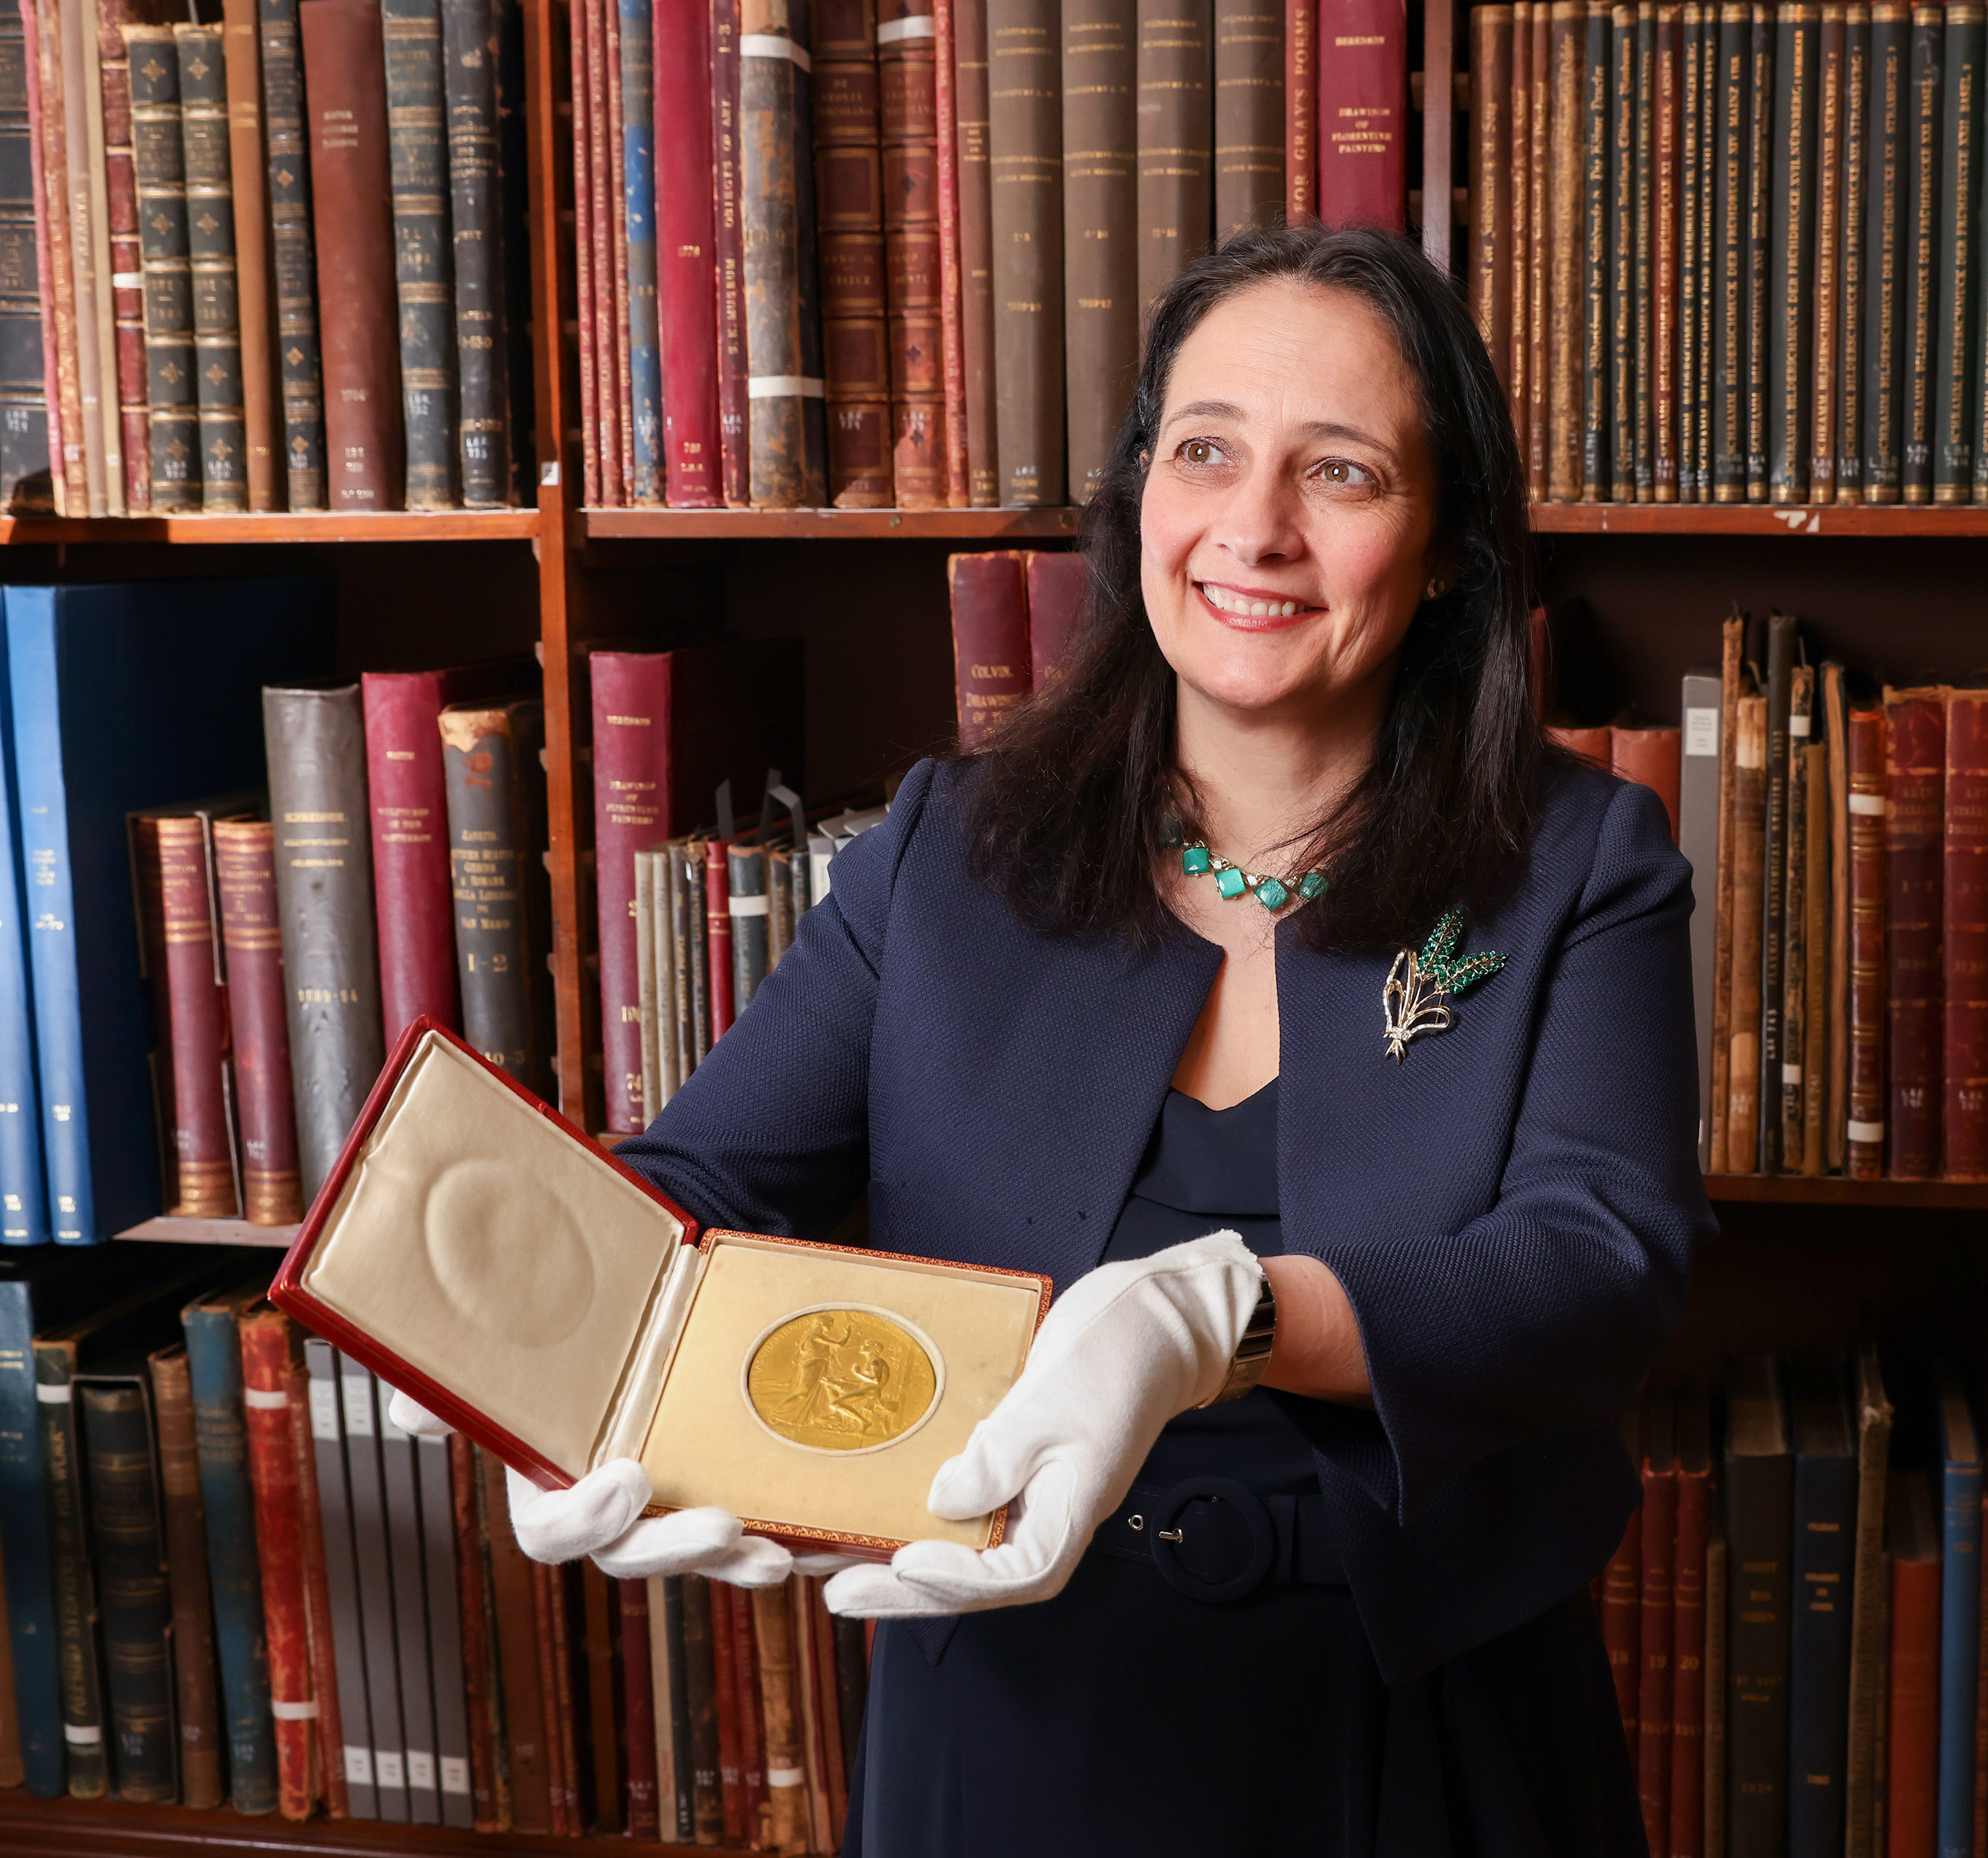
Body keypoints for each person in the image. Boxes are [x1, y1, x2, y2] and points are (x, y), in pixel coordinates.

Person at [435, 223, 1712, 1852]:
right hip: (1009, 1719)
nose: (1254, 529)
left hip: (1424, 1732)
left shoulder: (1583, 860)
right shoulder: (945, 847)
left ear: (1451, 543)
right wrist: (554, 1363)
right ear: (1140, 499)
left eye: (1341, 474)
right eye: (1205, 451)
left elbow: (1603, 1267)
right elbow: (699, 1181)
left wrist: (1222, 1314)